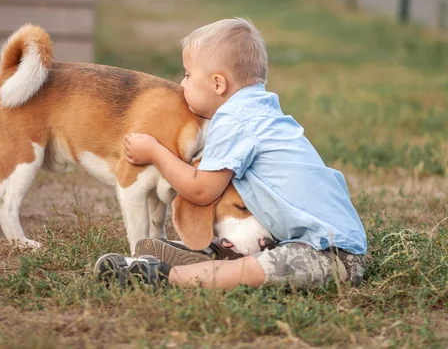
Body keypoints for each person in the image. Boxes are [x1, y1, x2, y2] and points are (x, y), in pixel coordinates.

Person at [95, 18, 367, 290]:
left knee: (251, 269)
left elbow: (201, 190)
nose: (182, 84)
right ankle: (204, 253)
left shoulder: (235, 120)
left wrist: (155, 153)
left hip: (332, 253)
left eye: (188, 75)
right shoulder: (264, 112)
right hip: (317, 239)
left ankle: (165, 277)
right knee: (255, 258)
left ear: (218, 84)